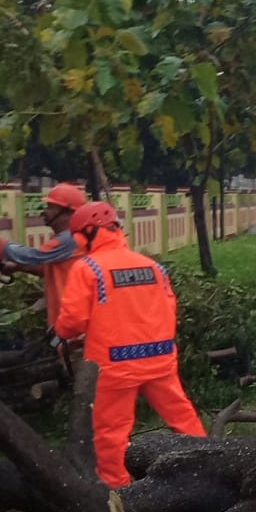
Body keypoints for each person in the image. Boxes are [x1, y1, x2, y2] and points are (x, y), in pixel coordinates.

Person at [54, 201, 206, 488]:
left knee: (111, 433)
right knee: (183, 419)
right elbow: (170, 309)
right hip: (160, 360)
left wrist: (60, 332)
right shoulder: (154, 267)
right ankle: (210, 468)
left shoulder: (87, 269)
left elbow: (71, 322)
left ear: (88, 232)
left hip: (113, 366)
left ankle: (121, 493)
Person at [0, 183, 87, 327]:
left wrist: (2, 243)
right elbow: (51, 269)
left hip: (74, 320)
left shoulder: (70, 239)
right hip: (68, 318)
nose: (45, 211)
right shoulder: (69, 240)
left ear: (67, 212)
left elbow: (34, 256)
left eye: (50, 207)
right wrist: (20, 268)